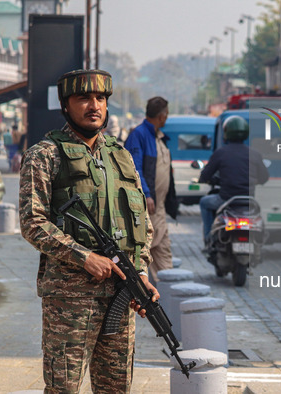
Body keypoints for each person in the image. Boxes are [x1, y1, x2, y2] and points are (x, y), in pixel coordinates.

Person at [19, 69, 158, 393]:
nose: (93, 105)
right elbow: (32, 222)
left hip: (120, 297)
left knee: (116, 388)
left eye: (100, 98)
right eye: (83, 98)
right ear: (66, 105)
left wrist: (140, 273)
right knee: (63, 388)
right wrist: (84, 257)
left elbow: (142, 225)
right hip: (70, 301)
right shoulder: (45, 155)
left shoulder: (120, 156)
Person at [125, 96, 178, 283]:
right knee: (146, 249)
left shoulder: (158, 135)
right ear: (162, 116)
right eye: (167, 115)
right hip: (148, 207)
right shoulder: (139, 135)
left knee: (163, 250)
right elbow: (134, 168)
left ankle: (166, 294)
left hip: (160, 207)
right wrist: (146, 194)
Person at [198, 115, 269, 242]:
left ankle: (208, 237)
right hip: (249, 201)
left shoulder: (221, 153)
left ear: (227, 133)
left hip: (225, 200)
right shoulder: (255, 154)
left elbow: (205, 175)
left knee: (204, 202)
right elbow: (264, 177)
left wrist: (206, 179)